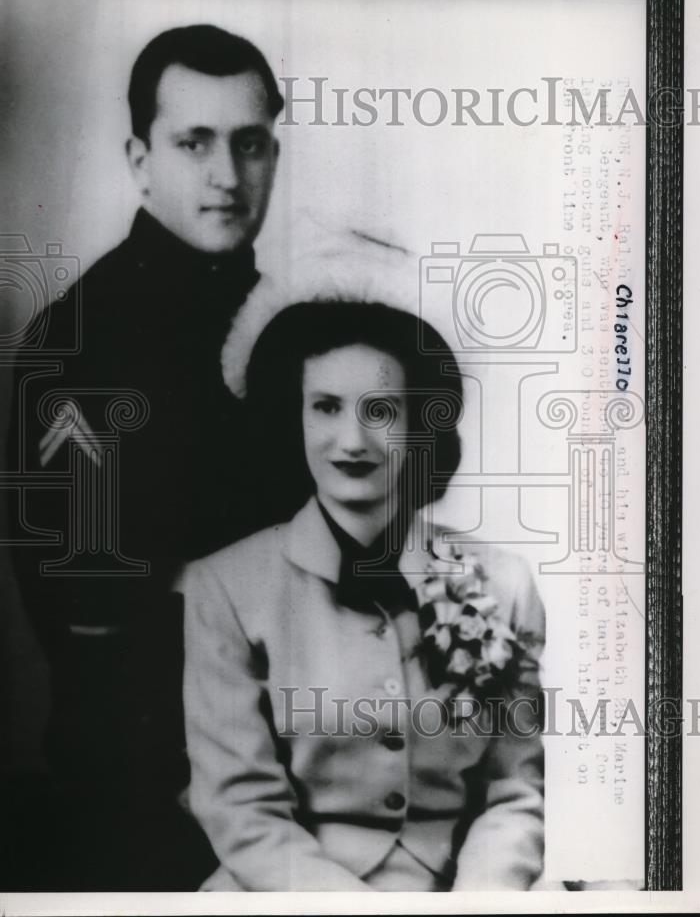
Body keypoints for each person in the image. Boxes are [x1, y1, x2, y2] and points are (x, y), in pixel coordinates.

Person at [4, 24, 283, 889]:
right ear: (139, 159)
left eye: (249, 144)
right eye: (192, 142)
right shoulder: (84, 340)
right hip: (151, 799)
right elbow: (93, 611)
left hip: (286, 774)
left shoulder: (290, 320)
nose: (227, 177)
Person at [181, 294, 546, 891]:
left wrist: (480, 902)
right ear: (291, 419)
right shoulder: (224, 586)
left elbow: (514, 792)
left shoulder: (503, 583)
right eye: (326, 407)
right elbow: (242, 809)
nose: (353, 439)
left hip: (458, 888)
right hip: (287, 889)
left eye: (381, 410)